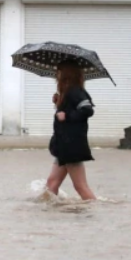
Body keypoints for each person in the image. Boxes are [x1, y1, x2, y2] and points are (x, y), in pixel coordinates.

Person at [46, 63, 97, 201]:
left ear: (67, 74)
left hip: (71, 145)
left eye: (59, 71)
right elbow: (68, 111)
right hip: (64, 145)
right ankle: (49, 210)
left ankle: (96, 209)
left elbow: (88, 110)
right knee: (51, 183)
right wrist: (58, 103)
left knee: (80, 186)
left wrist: (67, 116)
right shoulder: (68, 92)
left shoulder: (75, 91)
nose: (56, 75)